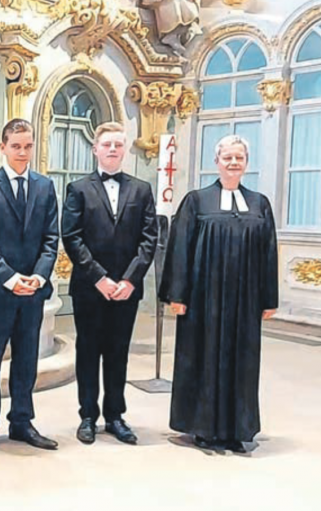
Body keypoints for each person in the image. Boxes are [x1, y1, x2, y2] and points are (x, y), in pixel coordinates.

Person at [160, 134, 278, 453]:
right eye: (227, 157)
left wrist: (269, 299)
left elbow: (269, 252)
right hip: (204, 301)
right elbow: (180, 249)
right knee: (203, 357)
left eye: (239, 157)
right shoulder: (197, 201)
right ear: (216, 161)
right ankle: (203, 427)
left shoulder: (259, 203)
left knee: (242, 361)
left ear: (246, 163)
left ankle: (237, 429)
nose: (233, 162)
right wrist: (177, 295)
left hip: (245, 301)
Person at [61, 122, 158, 446]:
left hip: (126, 289)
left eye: (118, 144)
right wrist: (99, 277)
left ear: (126, 148)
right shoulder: (78, 189)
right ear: (95, 149)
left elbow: (149, 239)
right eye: (107, 144)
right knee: (88, 351)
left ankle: (115, 415)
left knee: (118, 353)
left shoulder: (141, 189)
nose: (113, 149)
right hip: (90, 287)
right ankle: (87, 415)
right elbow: (72, 237)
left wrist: (130, 279)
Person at [0, 118, 60, 457]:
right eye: (16, 146)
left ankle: (21, 421)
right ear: (3, 147)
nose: (23, 152)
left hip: (33, 291)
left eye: (28, 145)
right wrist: (10, 278)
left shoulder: (44, 186)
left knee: (26, 359)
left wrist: (38, 277)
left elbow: (51, 238)